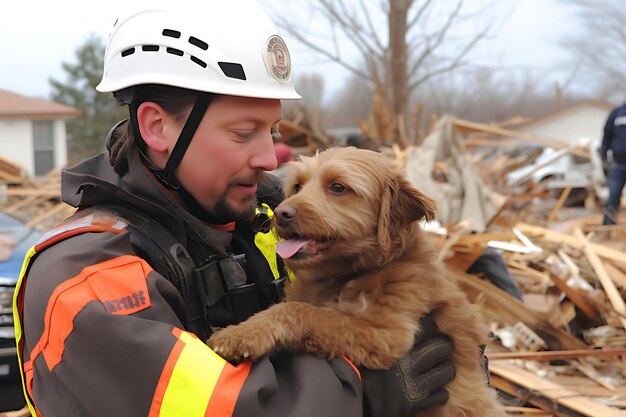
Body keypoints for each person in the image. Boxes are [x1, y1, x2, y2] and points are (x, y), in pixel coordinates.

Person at [13, 2, 456, 416]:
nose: (270, 158)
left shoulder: (257, 225)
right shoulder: (87, 281)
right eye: (245, 133)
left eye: (273, 130)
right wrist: (362, 387)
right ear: (157, 126)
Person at [600, 95, 626, 225]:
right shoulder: (616, 114)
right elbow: (606, 136)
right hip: (619, 163)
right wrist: (603, 158)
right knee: (613, 198)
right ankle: (608, 228)